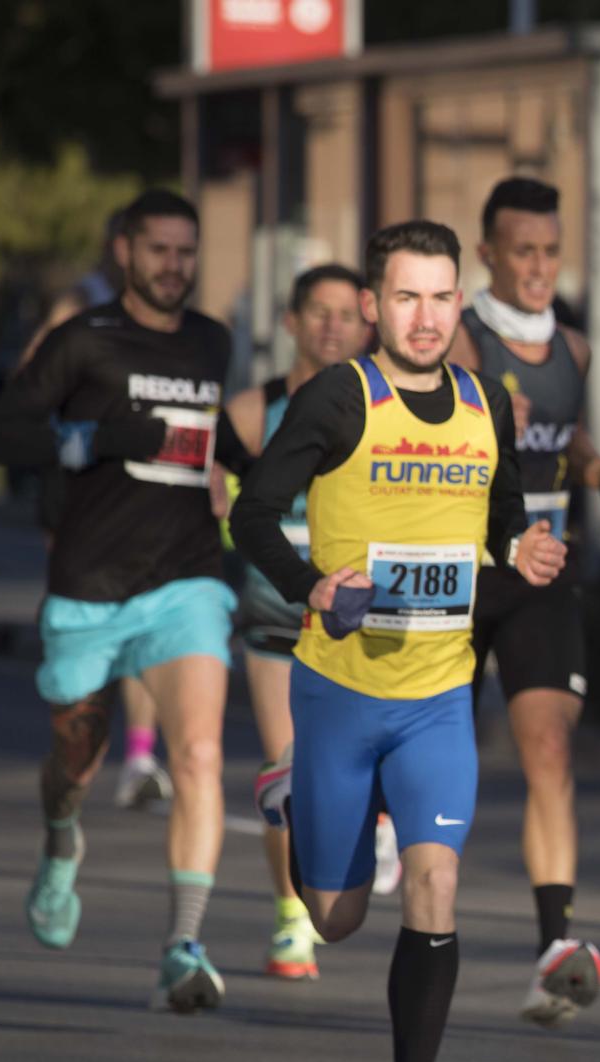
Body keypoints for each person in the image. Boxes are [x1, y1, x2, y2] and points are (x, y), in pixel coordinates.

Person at [232, 219, 565, 1062]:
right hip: (339, 690)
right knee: (335, 916)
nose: (425, 317)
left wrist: (521, 546)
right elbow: (253, 510)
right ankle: (297, 795)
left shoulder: (482, 399)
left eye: (441, 297)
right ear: (375, 306)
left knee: (435, 885)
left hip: (436, 697)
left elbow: (501, 510)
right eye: (407, 297)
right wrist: (311, 585)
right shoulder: (339, 398)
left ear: (461, 303)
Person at [0, 189, 251, 1013]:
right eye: (159, 250)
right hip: (90, 584)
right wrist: (87, 438)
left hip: (187, 578)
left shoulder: (211, 340)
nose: (175, 266)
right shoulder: (82, 341)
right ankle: (62, 841)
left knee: (198, 754)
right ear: (125, 253)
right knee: (75, 767)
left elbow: (208, 435)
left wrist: (254, 468)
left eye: (187, 252)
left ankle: (184, 942)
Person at [449, 177, 600, 1028]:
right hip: (463, 565)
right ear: (487, 253)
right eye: (521, 251)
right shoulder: (461, 337)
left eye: (550, 251)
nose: (537, 266)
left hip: (546, 567)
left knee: (550, 748)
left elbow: (568, 434)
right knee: (433, 752)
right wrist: (486, 416)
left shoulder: (575, 348)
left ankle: (552, 950)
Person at [220, 263, 391, 981]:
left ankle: (375, 821)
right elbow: (222, 503)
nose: (331, 326)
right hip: (276, 616)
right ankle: (292, 916)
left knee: (367, 759)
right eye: (316, 312)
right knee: (289, 770)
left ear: (365, 323)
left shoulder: (384, 411)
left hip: (358, 618)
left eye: (345, 315)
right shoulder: (253, 412)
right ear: (290, 322)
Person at [15, 210, 172, 815]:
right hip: (80, 484)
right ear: (120, 248)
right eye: (146, 248)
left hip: (146, 487)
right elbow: (34, 379)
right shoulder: (81, 303)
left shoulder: (164, 313)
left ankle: (138, 753)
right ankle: (81, 723)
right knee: (91, 613)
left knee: (145, 610)